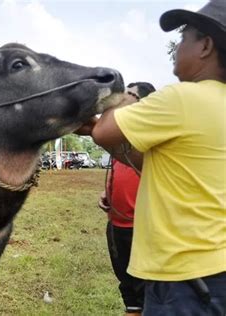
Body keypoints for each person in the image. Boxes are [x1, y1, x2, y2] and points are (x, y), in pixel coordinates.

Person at [78, 1, 226, 314]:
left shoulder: (182, 98)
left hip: (184, 278)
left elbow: (104, 131)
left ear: (206, 45)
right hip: (215, 272)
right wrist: (104, 133)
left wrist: (124, 96)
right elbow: (151, 164)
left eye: (184, 37)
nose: (177, 47)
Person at [97, 82, 155, 316]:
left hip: (142, 227)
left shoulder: (150, 138)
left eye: (131, 94)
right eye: (124, 93)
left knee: (146, 288)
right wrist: (108, 193)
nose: (124, 98)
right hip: (117, 225)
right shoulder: (119, 139)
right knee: (127, 285)